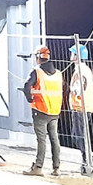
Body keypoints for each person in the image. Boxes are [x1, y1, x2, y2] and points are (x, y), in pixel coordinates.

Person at [21, 45, 63, 176]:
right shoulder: (58, 74)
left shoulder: (37, 71)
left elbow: (27, 86)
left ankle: (38, 167)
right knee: (54, 139)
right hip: (55, 110)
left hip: (40, 110)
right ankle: (56, 168)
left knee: (41, 140)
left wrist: (30, 99)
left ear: (38, 57)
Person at [69, 44, 93, 173]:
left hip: (81, 107)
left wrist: (72, 90)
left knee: (78, 136)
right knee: (80, 135)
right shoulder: (85, 69)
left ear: (77, 56)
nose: (71, 55)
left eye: (73, 53)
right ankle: (87, 160)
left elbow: (79, 89)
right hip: (85, 106)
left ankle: (87, 161)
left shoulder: (80, 70)